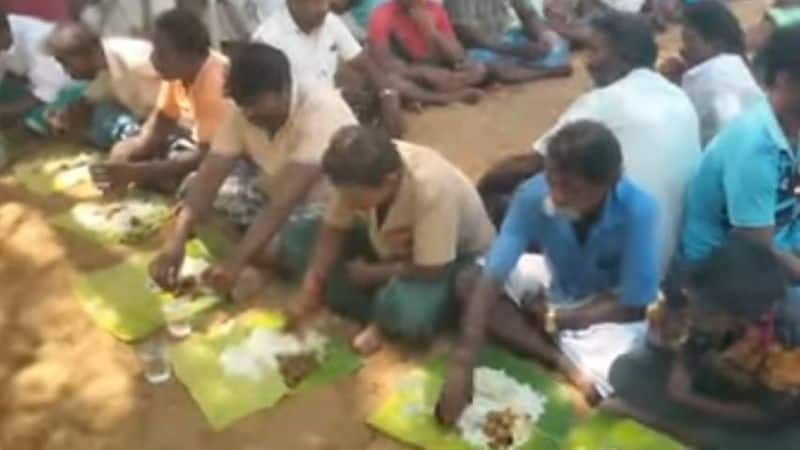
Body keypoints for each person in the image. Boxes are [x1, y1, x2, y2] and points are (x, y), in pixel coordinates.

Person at [436, 120, 661, 424]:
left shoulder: (639, 211)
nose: (557, 197)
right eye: (553, 181)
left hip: (605, 313)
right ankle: (557, 359)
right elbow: (495, 272)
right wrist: (463, 360)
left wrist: (561, 319)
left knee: (622, 378)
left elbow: (634, 305)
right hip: (557, 285)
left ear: (610, 181)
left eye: (571, 188)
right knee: (469, 281)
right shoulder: (533, 194)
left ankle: (556, 344)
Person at [478, 12, 700, 275]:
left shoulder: (604, 101)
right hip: (667, 257)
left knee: (512, 197)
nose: (587, 61)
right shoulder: (678, 96)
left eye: (595, 51)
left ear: (624, 57)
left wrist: (479, 190)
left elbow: (530, 164)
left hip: (617, 269)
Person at [150, 43, 358, 303]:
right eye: (241, 104)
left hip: (326, 210)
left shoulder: (320, 110)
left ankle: (262, 267)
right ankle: (258, 260)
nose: (248, 113)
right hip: (272, 193)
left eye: (254, 104)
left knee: (279, 244)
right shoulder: (245, 110)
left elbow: (283, 203)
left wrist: (236, 262)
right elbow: (209, 176)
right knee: (191, 193)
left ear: (283, 89)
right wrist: (177, 241)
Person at [288, 125, 496, 354]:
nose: (348, 203)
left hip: (451, 260)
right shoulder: (353, 171)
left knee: (406, 310)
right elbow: (334, 229)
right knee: (301, 237)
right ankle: (377, 306)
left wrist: (374, 273)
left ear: (389, 181)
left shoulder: (432, 187)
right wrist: (313, 284)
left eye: (355, 198)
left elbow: (433, 267)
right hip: (389, 248)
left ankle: (386, 317)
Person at [608, 236, 800, 450]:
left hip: (764, 410)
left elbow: (770, 414)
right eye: (694, 303)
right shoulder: (693, 295)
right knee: (624, 371)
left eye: (706, 312)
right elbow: (678, 339)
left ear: (743, 318)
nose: (693, 314)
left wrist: (689, 399)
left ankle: (657, 421)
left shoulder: (786, 340)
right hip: (713, 382)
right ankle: (687, 428)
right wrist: (681, 365)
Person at [681, 26, 800, 279]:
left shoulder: (788, 125)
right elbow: (759, 248)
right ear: (785, 79)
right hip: (727, 270)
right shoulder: (755, 148)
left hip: (781, 235)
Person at [88, 8, 230, 194]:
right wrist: (129, 151)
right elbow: (160, 122)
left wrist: (138, 172)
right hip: (191, 142)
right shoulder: (178, 74)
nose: (153, 59)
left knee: (199, 187)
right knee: (136, 147)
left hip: (226, 156)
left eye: (162, 54)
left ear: (189, 55)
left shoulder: (215, 83)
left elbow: (207, 156)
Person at [251, 0, 405, 137]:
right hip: (297, 129)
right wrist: (332, 101)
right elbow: (268, 108)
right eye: (316, 2)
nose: (324, 8)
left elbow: (363, 62)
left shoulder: (329, 22)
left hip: (332, 116)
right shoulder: (268, 40)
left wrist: (387, 93)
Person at [45, 22, 163, 149]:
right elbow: (90, 99)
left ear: (88, 52)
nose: (66, 71)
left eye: (66, 63)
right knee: (103, 113)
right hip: (145, 117)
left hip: (171, 122)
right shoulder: (102, 65)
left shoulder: (138, 60)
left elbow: (175, 100)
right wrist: (66, 115)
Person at [660, 0, 763, 145]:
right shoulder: (736, 66)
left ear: (717, 44)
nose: (682, 50)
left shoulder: (715, 79)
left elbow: (730, 130)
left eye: (690, 41)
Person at [367, 0, 487, 106]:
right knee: (391, 82)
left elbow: (458, 55)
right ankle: (444, 98)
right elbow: (383, 62)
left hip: (440, 70)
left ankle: (435, 92)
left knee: (477, 68)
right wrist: (423, 73)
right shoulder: (382, 14)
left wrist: (432, 31)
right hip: (410, 73)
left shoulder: (434, 9)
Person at [444, 0, 573, 83]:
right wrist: (513, 50)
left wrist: (544, 34)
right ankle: (546, 72)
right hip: (480, 47)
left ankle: (527, 68)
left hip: (507, 39)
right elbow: (466, 31)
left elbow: (527, 14)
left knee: (556, 43)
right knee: (496, 69)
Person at [0, 12, 74, 130]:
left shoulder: (37, 43)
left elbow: (48, 91)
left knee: (40, 121)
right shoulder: (5, 35)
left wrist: (6, 111)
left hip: (67, 87)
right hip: (32, 82)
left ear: (3, 32)